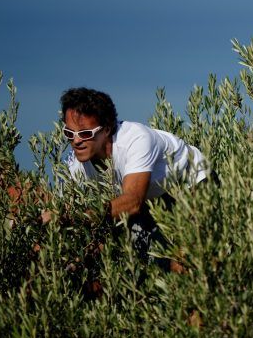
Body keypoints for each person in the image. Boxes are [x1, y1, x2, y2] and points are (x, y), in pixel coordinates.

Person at [60, 87, 207, 271]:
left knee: (184, 263)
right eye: (69, 133)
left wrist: (75, 218)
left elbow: (132, 202)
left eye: (85, 134)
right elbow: (63, 209)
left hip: (191, 186)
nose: (76, 141)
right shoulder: (74, 165)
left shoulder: (136, 139)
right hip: (152, 199)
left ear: (106, 129)